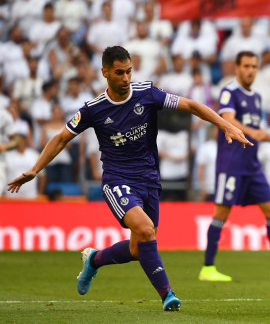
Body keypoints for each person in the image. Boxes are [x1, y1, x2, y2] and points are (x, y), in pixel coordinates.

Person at [8, 46, 250, 311]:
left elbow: (190, 105)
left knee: (138, 248)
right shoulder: (94, 109)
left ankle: (94, 260)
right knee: (146, 230)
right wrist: (35, 168)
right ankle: (168, 294)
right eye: (119, 73)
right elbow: (61, 137)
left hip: (149, 179)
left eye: (129, 71)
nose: (125, 78)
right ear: (105, 73)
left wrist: (226, 125)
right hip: (117, 180)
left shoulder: (147, 93)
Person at [199, 51, 270, 282]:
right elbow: (227, 119)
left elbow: (257, 130)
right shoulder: (229, 91)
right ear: (237, 68)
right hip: (231, 165)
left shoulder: (256, 97)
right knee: (221, 213)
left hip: (252, 166)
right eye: (246, 66)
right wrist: (255, 133)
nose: (250, 70)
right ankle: (207, 267)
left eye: (254, 66)